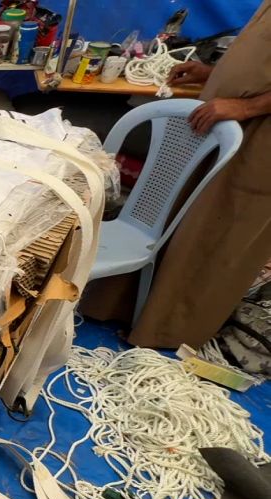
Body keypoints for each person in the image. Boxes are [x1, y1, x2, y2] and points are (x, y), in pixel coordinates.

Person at [81, 1, 271, 348]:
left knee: (213, 233)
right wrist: (214, 74)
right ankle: (121, 306)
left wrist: (246, 106)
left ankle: (166, 332)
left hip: (258, 140)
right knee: (166, 215)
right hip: (222, 118)